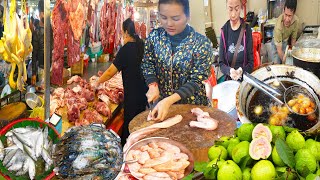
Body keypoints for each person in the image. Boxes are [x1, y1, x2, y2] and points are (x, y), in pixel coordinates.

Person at [141, 0, 214, 121]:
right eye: (163, 17)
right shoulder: (155, 37)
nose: (169, 23)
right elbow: (148, 63)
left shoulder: (201, 43)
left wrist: (169, 100)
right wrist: (152, 84)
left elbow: (197, 80)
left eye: (175, 18)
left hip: (193, 111)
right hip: (163, 110)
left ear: (188, 16)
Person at [95, 18, 148, 146]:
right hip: (144, 95)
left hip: (132, 97)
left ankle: (127, 155)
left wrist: (97, 82)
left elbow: (109, 72)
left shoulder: (126, 50)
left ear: (125, 32)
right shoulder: (141, 46)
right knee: (139, 125)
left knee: (129, 128)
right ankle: (138, 149)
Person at [219, 0, 253, 81]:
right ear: (226, 8)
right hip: (230, 80)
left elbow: (251, 63)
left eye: (237, 9)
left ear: (241, 7)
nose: (233, 14)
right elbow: (221, 63)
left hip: (244, 78)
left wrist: (241, 71)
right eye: (230, 9)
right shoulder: (224, 31)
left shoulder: (247, 30)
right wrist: (229, 71)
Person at [271, 0, 298, 64]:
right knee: (277, 64)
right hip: (276, 44)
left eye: (290, 16)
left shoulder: (296, 21)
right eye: (286, 15)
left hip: (285, 41)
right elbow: (279, 50)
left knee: (287, 59)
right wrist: (287, 64)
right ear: (283, 11)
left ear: (294, 14)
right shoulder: (278, 26)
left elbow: (293, 40)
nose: (287, 19)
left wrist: (294, 56)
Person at [31, 0, 44, 86]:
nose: (44, 14)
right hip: (41, 68)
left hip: (52, 68)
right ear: (39, 14)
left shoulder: (51, 29)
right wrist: (34, 73)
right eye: (42, 12)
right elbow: (34, 53)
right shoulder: (36, 32)